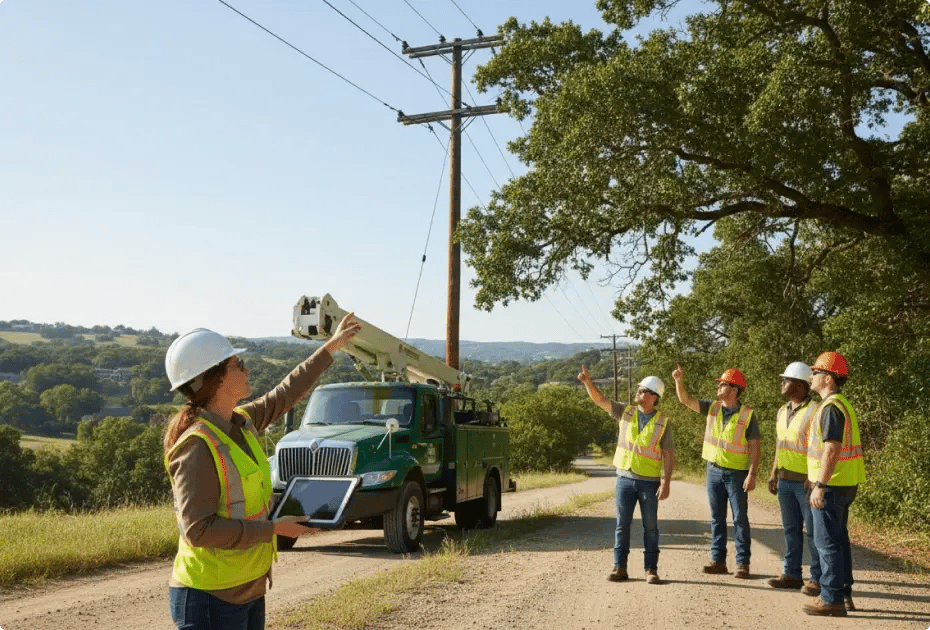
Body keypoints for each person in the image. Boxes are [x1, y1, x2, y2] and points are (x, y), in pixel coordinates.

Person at [162, 313, 360, 630]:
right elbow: (198, 531)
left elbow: (284, 395)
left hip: (249, 588)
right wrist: (273, 529)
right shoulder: (196, 447)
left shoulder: (241, 421)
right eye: (238, 365)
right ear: (218, 379)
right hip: (209, 597)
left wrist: (331, 347)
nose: (247, 369)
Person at [578, 366, 673, 585]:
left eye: (642, 391)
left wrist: (666, 482)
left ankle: (651, 570)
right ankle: (619, 567)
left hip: (649, 483)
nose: (638, 393)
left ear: (653, 397)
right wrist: (587, 384)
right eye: (639, 390)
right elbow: (600, 400)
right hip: (624, 479)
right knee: (622, 525)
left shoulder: (662, 422)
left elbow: (668, 454)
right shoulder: (626, 411)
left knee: (650, 527)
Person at [671, 364, 760, 579]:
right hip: (713, 471)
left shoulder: (747, 415)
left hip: (737, 473)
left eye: (723, 384)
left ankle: (742, 563)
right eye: (719, 383)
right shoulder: (712, 408)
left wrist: (752, 474)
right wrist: (678, 381)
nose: (719, 386)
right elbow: (685, 400)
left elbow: (755, 446)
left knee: (740, 518)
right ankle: (718, 561)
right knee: (716, 518)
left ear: (734, 389)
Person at [802, 351, 865, 617]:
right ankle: (844, 594)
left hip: (832, 485)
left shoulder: (830, 407)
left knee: (825, 542)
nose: (811, 377)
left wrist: (820, 484)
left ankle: (831, 599)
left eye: (815, 372)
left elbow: (831, 449)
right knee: (838, 541)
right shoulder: (841, 404)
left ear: (827, 378)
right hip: (846, 483)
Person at [767, 362, 822, 593]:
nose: (782, 384)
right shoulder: (782, 410)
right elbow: (781, 444)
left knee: (813, 531)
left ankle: (817, 578)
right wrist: (773, 473)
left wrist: (815, 476)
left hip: (805, 481)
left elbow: (820, 446)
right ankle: (792, 574)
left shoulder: (816, 410)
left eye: (786, 380)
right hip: (785, 479)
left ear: (800, 385)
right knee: (790, 530)